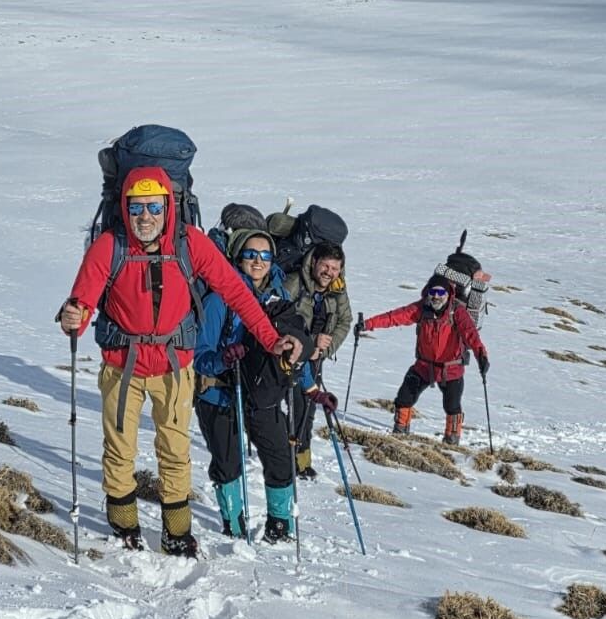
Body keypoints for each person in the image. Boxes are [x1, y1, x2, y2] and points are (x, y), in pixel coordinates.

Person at [58, 168, 302, 557]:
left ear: (168, 207)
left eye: (154, 207)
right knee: (120, 449)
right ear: (125, 207)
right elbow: (82, 300)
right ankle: (124, 526)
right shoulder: (109, 245)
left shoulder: (190, 244)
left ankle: (177, 532)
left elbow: (237, 294)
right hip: (122, 364)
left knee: (175, 451)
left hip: (174, 366)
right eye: (137, 207)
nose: (145, 217)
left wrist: (271, 340)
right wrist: (74, 316)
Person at [195, 229, 315, 544]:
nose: (258, 261)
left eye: (265, 255)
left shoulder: (280, 297)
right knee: (227, 463)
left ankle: (280, 525)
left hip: (263, 394)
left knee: (280, 457)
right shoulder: (219, 298)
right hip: (220, 392)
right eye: (250, 254)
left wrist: (311, 386)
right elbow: (199, 356)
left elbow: (293, 348)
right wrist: (223, 359)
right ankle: (234, 526)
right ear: (238, 257)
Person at [359, 273, 489, 444]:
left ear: (448, 294)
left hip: (451, 369)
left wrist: (481, 355)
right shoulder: (421, 309)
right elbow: (394, 317)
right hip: (424, 367)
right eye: (433, 292)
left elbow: (470, 334)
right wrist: (367, 324)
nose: (436, 296)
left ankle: (451, 442)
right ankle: (400, 434)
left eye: (441, 292)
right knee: (404, 397)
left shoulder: (457, 312)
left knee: (452, 406)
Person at [283, 241, 352, 479]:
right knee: (295, 407)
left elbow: (345, 320)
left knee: (308, 409)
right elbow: (279, 317)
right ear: (314, 262)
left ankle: (302, 461)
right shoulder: (294, 283)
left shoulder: (338, 289)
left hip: (315, 360)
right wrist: (311, 343)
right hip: (288, 357)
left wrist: (324, 349)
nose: (329, 272)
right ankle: (286, 458)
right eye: (325, 266)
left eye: (335, 268)